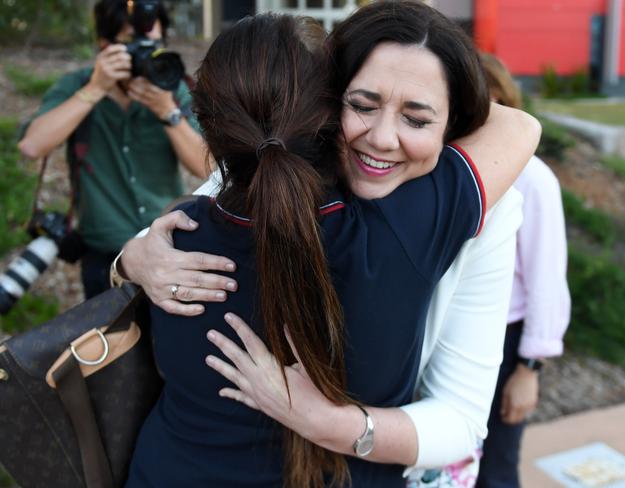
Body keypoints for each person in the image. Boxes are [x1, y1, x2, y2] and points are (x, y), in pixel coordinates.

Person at [119, 3, 540, 486]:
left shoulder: (190, 220)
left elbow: (461, 419)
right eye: (361, 106)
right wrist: (132, 258)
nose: (381, 138)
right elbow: (520, 125)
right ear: (324, 103)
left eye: (417, 119)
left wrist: (329, 423)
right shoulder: (397, 235)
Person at [18, 0, 206, 299]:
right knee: (111, 343)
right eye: (133, 45)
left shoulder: (170, 88)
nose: (146, 54)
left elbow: (205, 166)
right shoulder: (77, 85)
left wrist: (168, 112)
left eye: (153, 44)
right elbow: (31, 146)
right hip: (104, 257)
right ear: (104, 45)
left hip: (168, 247)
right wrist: (95, 89)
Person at [474, 53, 571, 488]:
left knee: (496, 468)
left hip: (506, 341)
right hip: (450, 337)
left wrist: (529, 369)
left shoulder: (534, 179)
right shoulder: (440, 167)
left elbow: (547, 280)